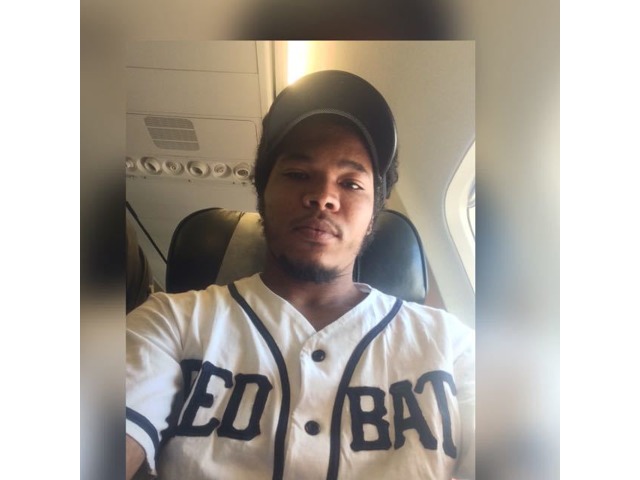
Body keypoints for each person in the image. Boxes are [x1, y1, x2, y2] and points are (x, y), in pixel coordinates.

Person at [125, 70, 475, 480]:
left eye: (351, 183)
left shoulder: (452, 345)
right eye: (297, 174)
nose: (323, 196)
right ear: (263, 193)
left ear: (373, 214)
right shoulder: (170, 322)